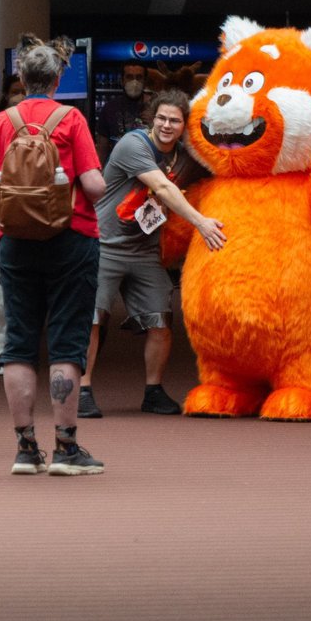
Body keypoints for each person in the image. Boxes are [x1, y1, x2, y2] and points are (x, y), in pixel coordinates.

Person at [0, 36, 107, 475]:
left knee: (18, 342)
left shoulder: (0, 123)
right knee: (67, 342)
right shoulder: (70, 119)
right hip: (71, 239)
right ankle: (67, 449)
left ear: (20, 78)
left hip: (15, 242)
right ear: (57, 79)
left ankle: (24, 448)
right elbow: (93, 186)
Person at [81, 89, 226, 418]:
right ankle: (83, 390)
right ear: (150, 118)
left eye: (175, 120)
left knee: (161, 320)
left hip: (145, 250)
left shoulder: (186, 157)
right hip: (104, 245)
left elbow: (223, 169)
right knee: (92, 319)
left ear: (184, 126)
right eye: (161, 118)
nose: (166, 125)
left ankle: (153, 390)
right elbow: (162, 188)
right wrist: (201, 223)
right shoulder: (133, 144)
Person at [94, 59, 149, 162]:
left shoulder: (156, 107)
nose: (134, 82)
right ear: (122, 81)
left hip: (149, 169)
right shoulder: (109, 108)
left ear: (145, 81)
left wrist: (155, 121)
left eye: (139, 77)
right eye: (129, 77)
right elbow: (102, 149)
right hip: (118, 171)